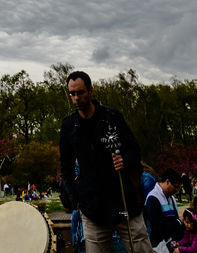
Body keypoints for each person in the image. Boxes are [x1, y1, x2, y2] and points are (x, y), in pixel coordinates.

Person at [59, 70, 151, 253]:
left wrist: (125, 160)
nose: (76, 98)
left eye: (80, 92)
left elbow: (135, 150)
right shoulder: (69, 125)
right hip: (93, 209)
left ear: (91, 91)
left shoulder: (112, 117)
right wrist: (74, 199)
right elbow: (66, 167)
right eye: (72, 94)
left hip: (124, 205)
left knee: (141, 249)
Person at [144, 169, 184, 253]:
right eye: (175, 186)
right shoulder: (153, 198)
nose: (176, 190)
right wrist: (178, 222)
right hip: (158, 245)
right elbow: (158, 228)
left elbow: (174, 222)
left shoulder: (171, 198)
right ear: (167, 181)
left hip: (171, 243)